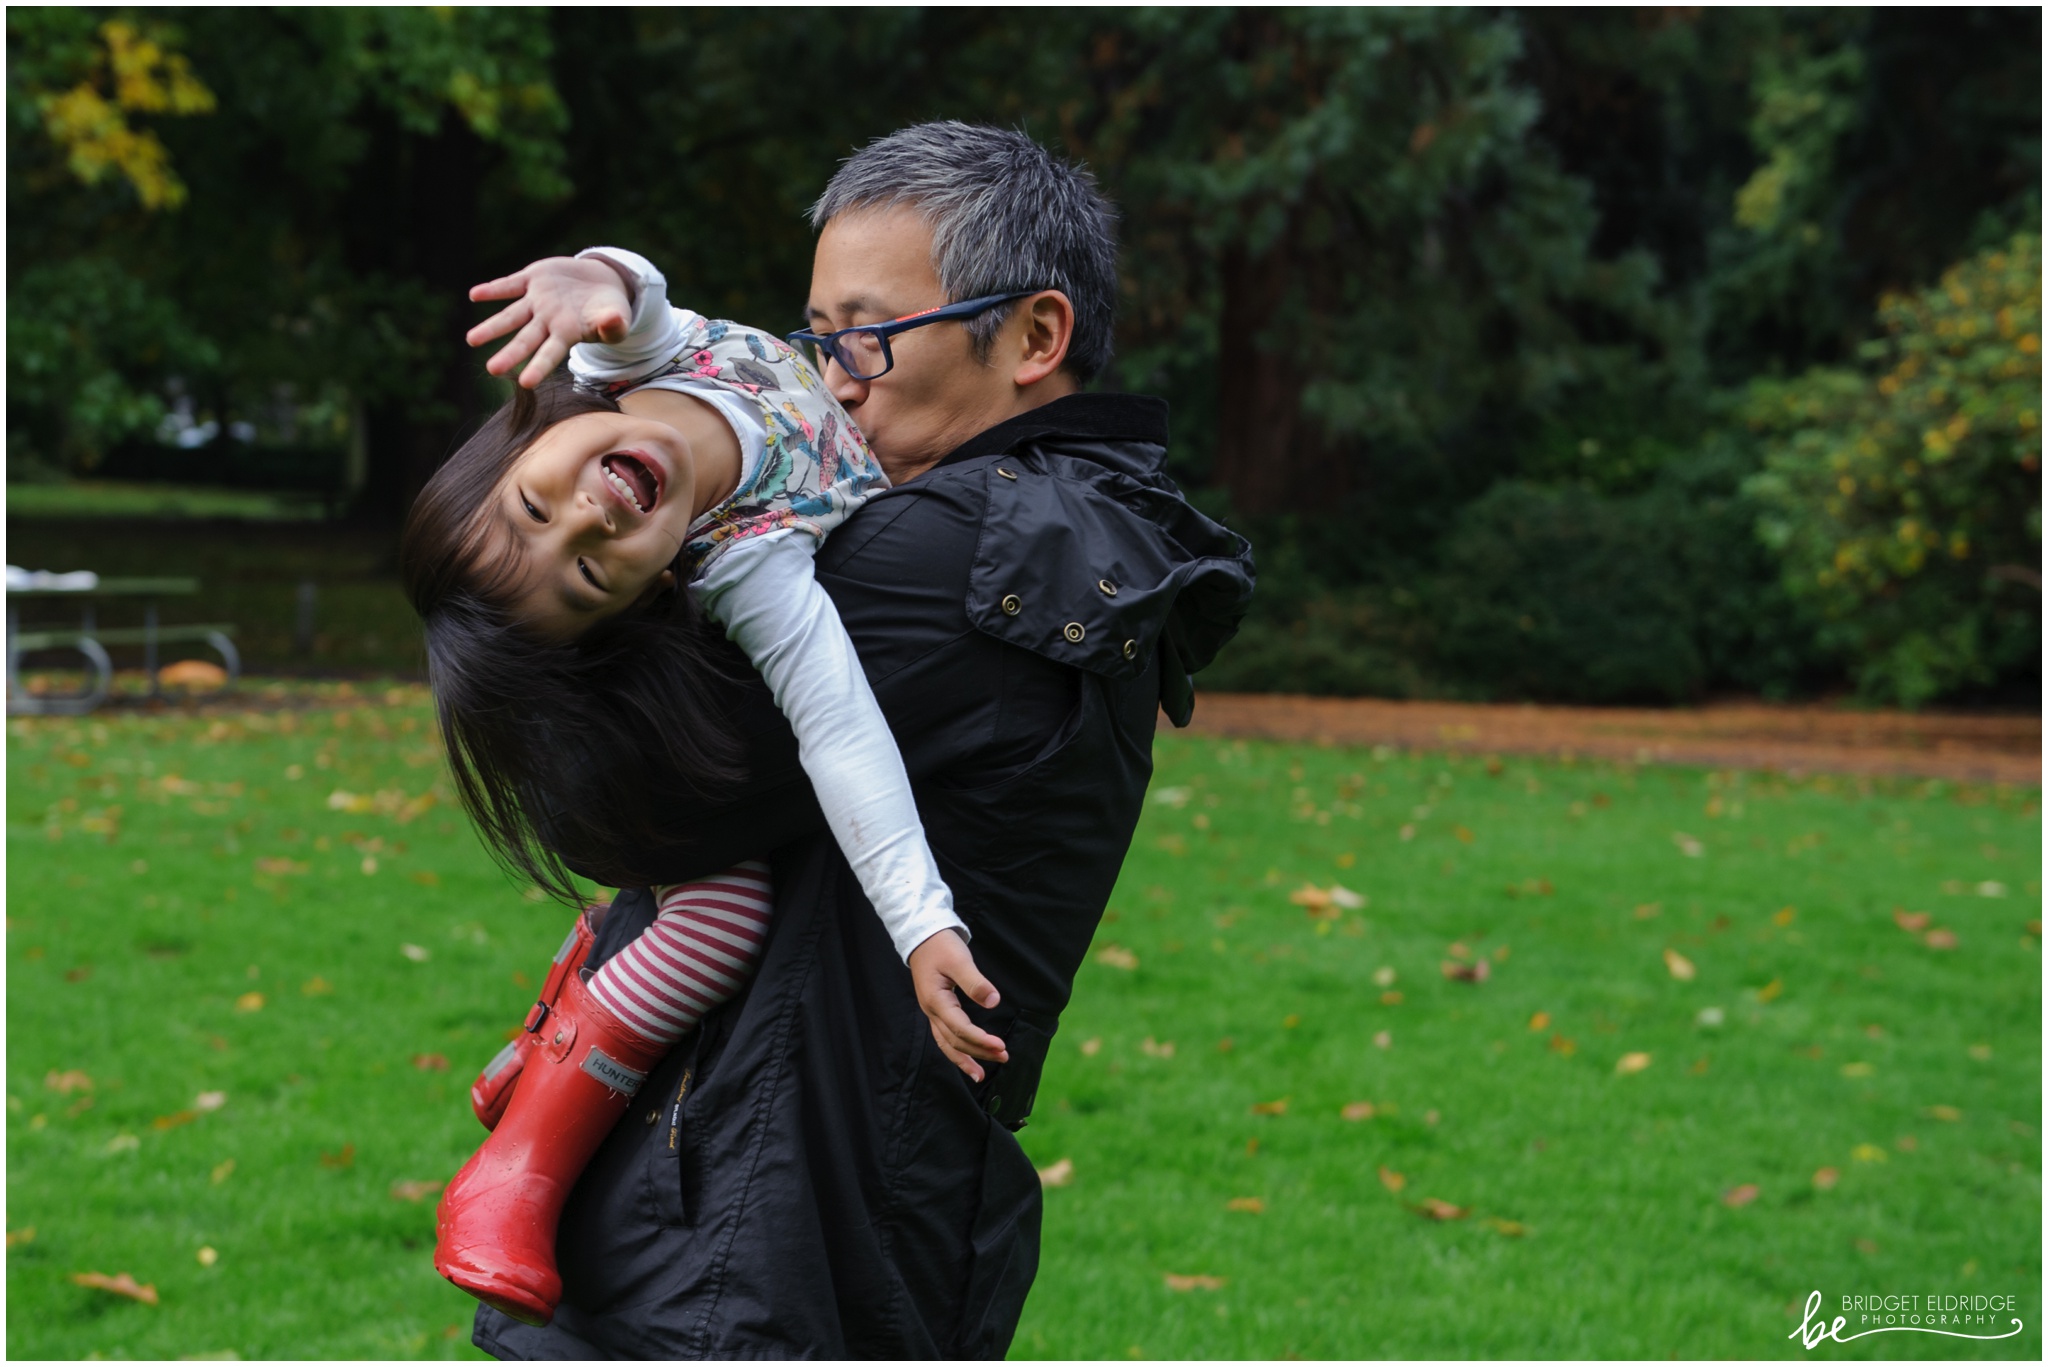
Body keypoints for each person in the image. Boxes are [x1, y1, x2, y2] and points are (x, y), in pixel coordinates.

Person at [455, 121, 1255, 1358]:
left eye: (867, 337)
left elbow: (606, 798)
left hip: (751, 1243)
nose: (830, 380)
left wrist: (504, 576)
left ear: (1035, 338)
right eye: (819, 333)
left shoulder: (954, 554)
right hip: (814, 1213)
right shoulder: (1038, 529)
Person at [402, 248, 1012, 1325]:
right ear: (644, 590)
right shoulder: (751, 562)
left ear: (525, 442)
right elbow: (841, 736)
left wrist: (589, 277)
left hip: (708, 757)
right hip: (698, 787)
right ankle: (517, 1161)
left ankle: (555, 1044)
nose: (584, 524)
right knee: (722, 914)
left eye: (533, 514)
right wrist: (924, 924)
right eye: (588, 576)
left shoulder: (655, 361)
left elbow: (634, 294)